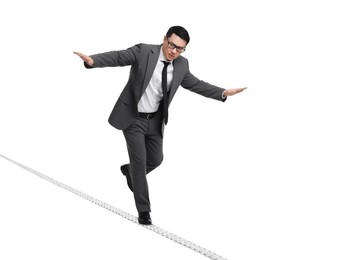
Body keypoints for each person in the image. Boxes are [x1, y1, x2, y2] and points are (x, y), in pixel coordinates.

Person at [74, 25, 247, 225]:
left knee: (155, 159)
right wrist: (93, 61)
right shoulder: (144, 51)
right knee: (140, 164)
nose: (175, 51)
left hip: (155, 120)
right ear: (165, 39)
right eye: (172, 45)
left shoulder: (182, 65)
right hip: (133, 118)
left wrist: (223, 92)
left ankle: (129, 172)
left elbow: (196, 83)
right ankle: (144, 212)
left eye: (180, 48)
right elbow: (119, 57)